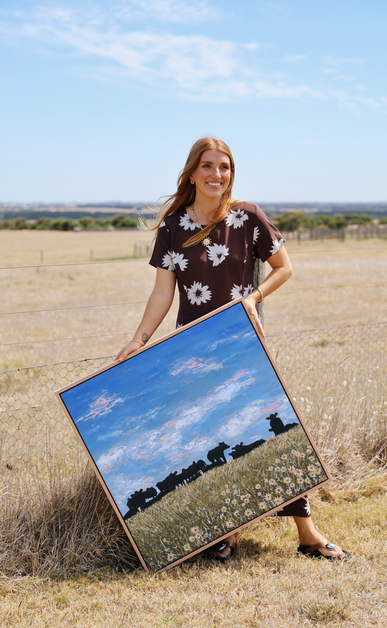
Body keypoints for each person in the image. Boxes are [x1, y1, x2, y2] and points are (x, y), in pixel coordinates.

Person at [117, 137, 350, 562]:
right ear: (192, 172)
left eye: (224, 167)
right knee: (210, 436)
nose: (216, 175)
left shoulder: (248, 217)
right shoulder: (172, 228)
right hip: (192, 348)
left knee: (273, 432)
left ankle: (308, 534)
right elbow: (161, 295)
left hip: (246, 342)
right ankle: (223, 534)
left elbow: (285, 269)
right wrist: (139, 340)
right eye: (208, 166)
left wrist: (253, 297)